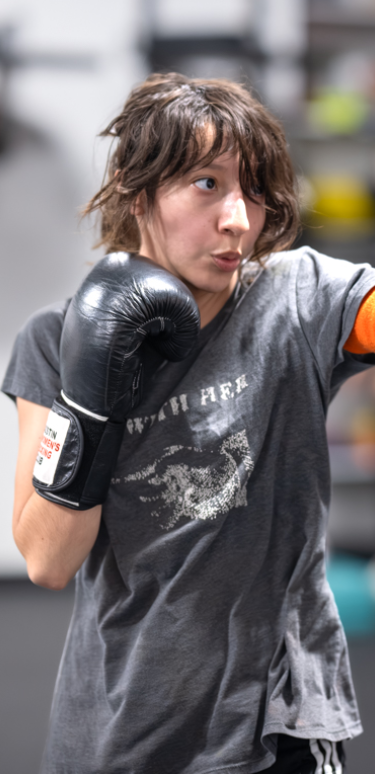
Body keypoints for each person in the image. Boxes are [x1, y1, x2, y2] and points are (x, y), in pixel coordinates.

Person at [2, 72, 375, 774]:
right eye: (207, 183)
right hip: (116, 728)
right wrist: (92, 394)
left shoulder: (295, 297)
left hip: (279, 731)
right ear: (137, 191)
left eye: (254, 190)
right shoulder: (55, 341)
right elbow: (49, 560)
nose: (238, 219)